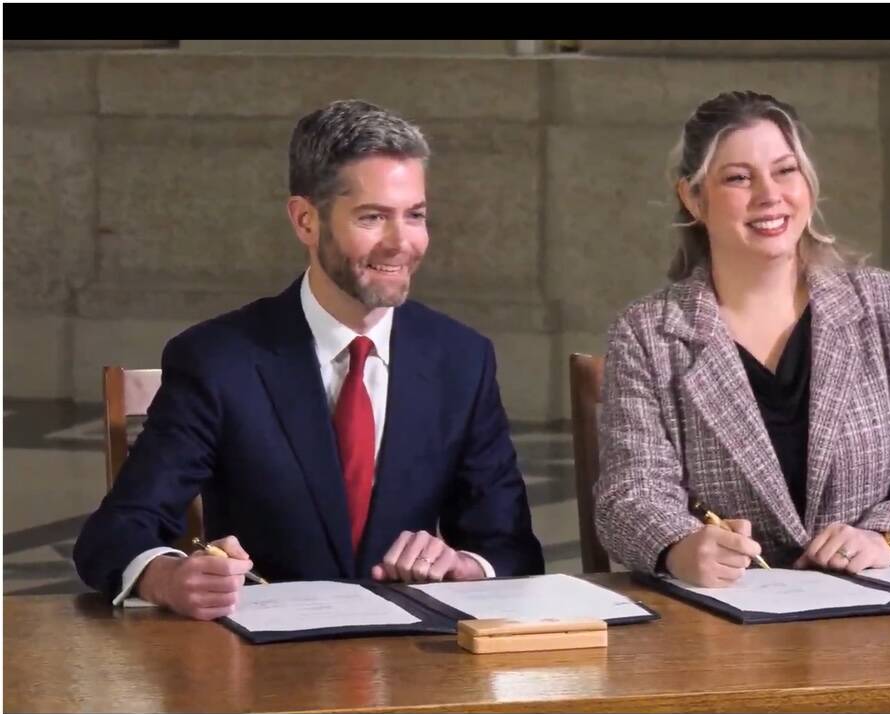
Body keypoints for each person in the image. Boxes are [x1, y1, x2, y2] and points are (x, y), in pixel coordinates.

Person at [74, 99, 544, 619]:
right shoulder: (219, 360)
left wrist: (466, 567)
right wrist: (167, 577)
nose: (401, 243)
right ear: (305, 220)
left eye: (415, 216)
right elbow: (115, 533)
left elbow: (510, 548)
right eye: (372, 217)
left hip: (413, 653)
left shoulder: (462, 359)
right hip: (265, 654)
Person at [594, 90, 890, 588]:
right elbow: (629, 494)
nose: (769, 195)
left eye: (785, 171)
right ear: (693, 198)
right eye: (739, 178)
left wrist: (886, 537)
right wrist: (679, 547)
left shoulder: (889, 306)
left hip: (882, 606)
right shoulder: (647, 333)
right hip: (729, 617)